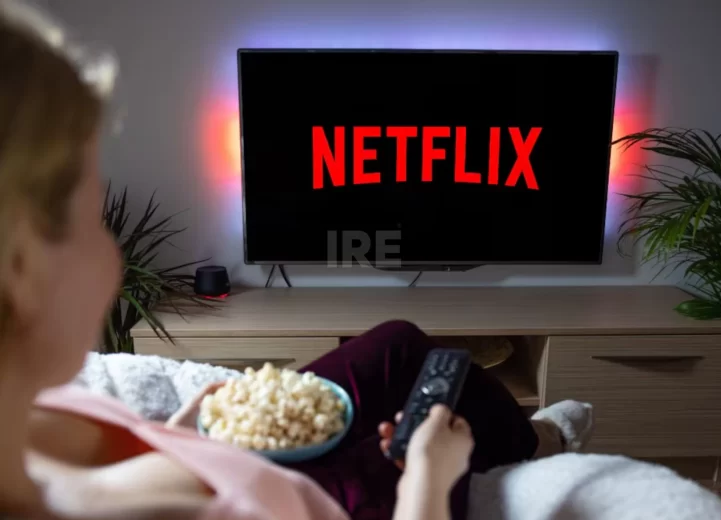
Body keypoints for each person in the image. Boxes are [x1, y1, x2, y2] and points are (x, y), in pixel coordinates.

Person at [0, 4, 573, 519]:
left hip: (224, 457)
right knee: (397, 443)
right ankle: (541, 443)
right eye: (92, 216)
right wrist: (429, 476)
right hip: (295, 493)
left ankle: (535, 438)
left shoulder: (36, 413)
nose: (115, 251)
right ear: (21, 269)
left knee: (399, 344)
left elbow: (132, 471)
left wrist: (185, 433)